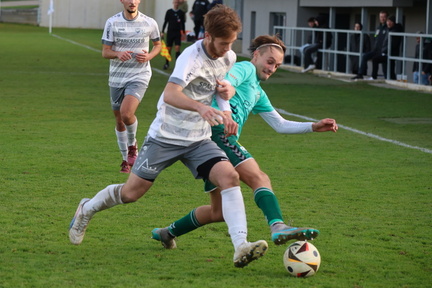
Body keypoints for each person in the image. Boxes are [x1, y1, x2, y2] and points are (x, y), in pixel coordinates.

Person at [69, 5, 268, 269]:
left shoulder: (228, 56)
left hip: (198, 139)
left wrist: (226, 111)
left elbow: (219, 90)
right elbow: (170, 94)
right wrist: (200, 107)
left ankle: (240, 245)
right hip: (166, 136)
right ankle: (87, 208)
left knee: (229, 177)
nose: (228, 48)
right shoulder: (191, 57)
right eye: (223, 43)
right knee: (131, 194)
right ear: (207, 35)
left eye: (231, 42)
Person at [151, 35, 338, 251]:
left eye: (277, 65)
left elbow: (279, 124)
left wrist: (313, 126)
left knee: (218, 212)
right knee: (259, 177)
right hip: (217, 133)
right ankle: (277, 225)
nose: (272, 68)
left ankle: (167, 233)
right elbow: (226, 81)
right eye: (270, 61)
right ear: (256, 55)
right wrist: (228, 94)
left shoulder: (258, 92)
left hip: (210, 141)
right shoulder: (245, 69)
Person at [101, 0, 161, 173]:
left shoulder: (149, 22)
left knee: (127, 114)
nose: (133, 2)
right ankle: (125, 159)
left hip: (139, 75)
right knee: (119, 119)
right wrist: (118, 53)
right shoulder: (112, 22)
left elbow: (158, 45)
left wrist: (149, 56)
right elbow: (105, 51)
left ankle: (133, 147)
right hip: (117, 77)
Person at [352, 11, 388, 80]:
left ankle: (374, 76)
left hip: (383, 51)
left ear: (386, 18)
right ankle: (360, 74)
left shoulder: (387, 28)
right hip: (376, 50)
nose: (382, 19)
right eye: (381, 17)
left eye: (384, 17)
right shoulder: (378, 28)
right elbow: (375, 36)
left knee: (376, 60)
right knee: (365, 56)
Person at [161, 0, 186, 70]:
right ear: (173, 3)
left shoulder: (181, 13)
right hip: (170, 33)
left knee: (177, 48)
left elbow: (183, 23)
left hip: (177, 33)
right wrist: (162, 31)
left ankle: (177, 65)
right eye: (175, 2)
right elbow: (165, 22)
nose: (176, 4)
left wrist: (183, 32)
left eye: (177, 3)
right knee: (169, 49)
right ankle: (166, 63)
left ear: (179, 4)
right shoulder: (169, 12)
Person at [380, 15, 403, 80]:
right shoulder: (387, 29)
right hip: (385, 52)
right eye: (387, 21)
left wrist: (384, 50)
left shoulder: (395, 31)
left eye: (390, 21)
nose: (388, 23)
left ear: (394, 22)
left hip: (390, 53)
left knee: (389, 69)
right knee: (387, 69)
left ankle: (390, 80)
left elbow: (392, 44)